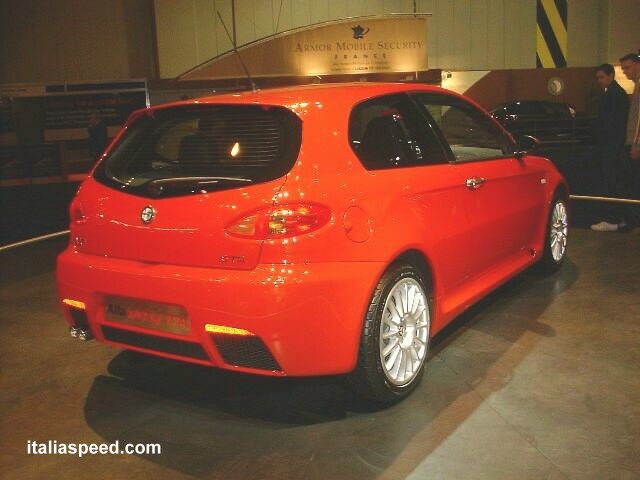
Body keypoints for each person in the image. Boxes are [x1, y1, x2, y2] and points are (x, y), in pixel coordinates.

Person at [590, 63, 630, 231]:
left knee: (610, 181)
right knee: (615, 181)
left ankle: (612, 219)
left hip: (612, 145)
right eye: (598, 78)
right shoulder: (617, 93)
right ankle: (619, 218)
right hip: (615, 144)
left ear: (611, 75)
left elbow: (611, 123)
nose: (599, 81)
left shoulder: (613, 95)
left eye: (602, 77)